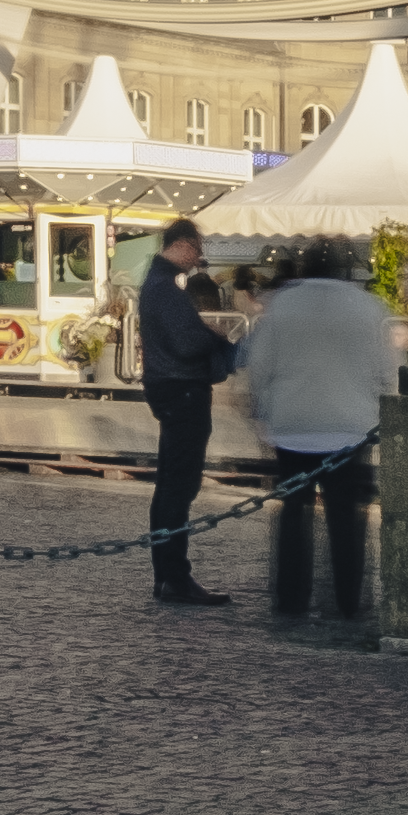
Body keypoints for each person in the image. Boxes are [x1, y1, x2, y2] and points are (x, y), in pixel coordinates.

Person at [243, 238, 399, 628]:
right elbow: (389, 369)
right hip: (349, 427)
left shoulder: (282, 306)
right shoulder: (368, 307)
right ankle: (347, 600)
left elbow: (258, 366)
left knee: (294, 514)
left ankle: (292, 597)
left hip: (292, 423)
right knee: (347, 519)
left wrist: (260, 410)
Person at [139, 217, 236, 608]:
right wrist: (213, 335)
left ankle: (169, 575)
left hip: (170, 387)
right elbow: (185, 342)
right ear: (179, 245)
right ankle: (175, 576)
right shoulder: (164, 289)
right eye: (196, 249)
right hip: (182, 390)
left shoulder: (158, 285)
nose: (199, 258)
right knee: (179, 486)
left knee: (172, 486)